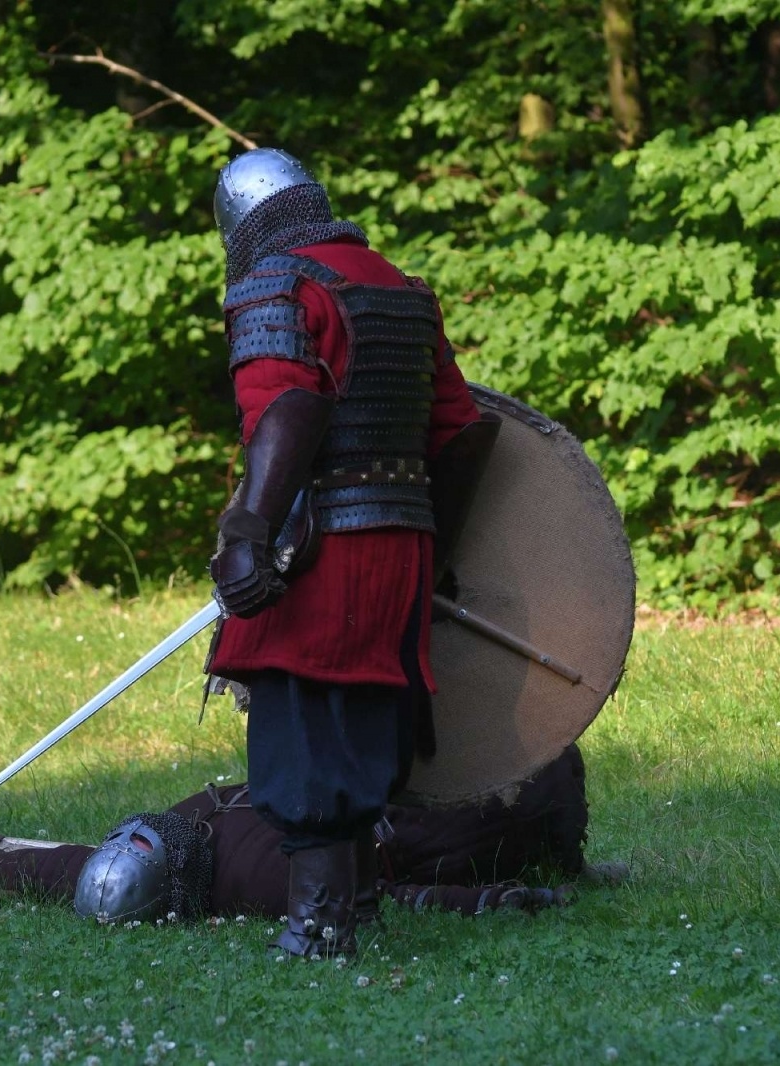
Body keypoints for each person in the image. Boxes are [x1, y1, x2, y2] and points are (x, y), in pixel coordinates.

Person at [200, 147, 501, 957]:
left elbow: (287, 407)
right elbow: (465, 431)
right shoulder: (398, 287)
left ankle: (320, 926)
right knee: (365, 723)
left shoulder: (277, 284)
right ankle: (358, 907)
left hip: (318, 550)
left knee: (301, 725)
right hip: (402, 543)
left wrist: (245, 532)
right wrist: (433, 552)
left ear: (244, 223)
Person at [0, 744, 625, 925]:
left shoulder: (224, 860)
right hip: (480, 800)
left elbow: (85, 869)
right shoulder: (212, 836)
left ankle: (565, 854)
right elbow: (401, 896)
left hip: (508, 809)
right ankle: (566, 854)